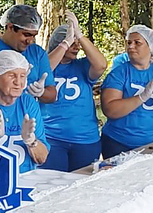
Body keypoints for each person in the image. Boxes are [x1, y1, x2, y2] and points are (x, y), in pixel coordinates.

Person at [100, 25, 153, 158]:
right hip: (119, 143)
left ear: (150, 47)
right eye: (129, 42)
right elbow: (110, 110)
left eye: (137, 43)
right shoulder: (119, 73)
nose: (131, 46)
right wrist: (141, 97)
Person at [41, 12, 107, 172]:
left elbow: (101, 65)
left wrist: (80, 36)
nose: (76, 47)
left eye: (77, 44)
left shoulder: (83, 66)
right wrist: (65, 43)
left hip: (85, 139)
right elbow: (40, 71)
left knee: (81, 186)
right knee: (52, 185)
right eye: (72, 43)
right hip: (51, 138)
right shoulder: (45, 64)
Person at [0, 4, 57, 104]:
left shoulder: (37, 53)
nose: (30, 41)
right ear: (10, 27)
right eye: (26, 35)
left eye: (34, 36)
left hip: (28, 115)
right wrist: (3, 92)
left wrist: (42, 92)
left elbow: (52, 95)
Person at [0, 51, 50, 173]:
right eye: (11, 75)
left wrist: (31, 141)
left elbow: (42, 158)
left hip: (24, 180)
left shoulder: (28, 103)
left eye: (22, 76)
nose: (18, 82)